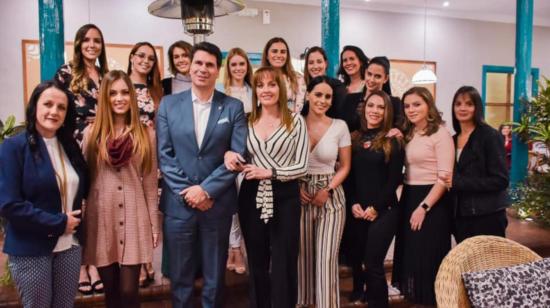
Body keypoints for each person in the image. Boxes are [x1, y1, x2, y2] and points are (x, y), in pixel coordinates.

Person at [157, 42, 247, 308]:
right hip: (179, 205)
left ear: (217, 70)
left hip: (216, 205)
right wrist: (191, 193)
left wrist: (206, 191)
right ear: (189, 66)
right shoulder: (169, 104)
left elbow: (237, 155)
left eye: (210, 64)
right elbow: (165, 155)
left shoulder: (233, 107)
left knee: (215, 278)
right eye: (199, 63)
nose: (203, 69)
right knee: (181, 279)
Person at [225, 66, 309, 307]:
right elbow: (236, 151)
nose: (266, 90)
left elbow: (302, 166)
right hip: (251, 196)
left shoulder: (295, 121)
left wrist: (270, 172)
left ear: (280, 89)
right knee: (257, 261)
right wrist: (230, 155)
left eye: (271, 84)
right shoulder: (247, 120)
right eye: (260, 85)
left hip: (286, 197)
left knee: (284, 261)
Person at [0, 80, 88, 307]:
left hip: (69, 246)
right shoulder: (13, 147)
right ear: (34, 107)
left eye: (61, 107)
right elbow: (9, 204)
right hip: (31, 247)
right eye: (48, 104)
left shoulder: (69, 146)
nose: (54, 111)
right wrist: (59, 223)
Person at [82, 70, 159, 308]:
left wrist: (154, 224)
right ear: (104, 97)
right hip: (102, 217)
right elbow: (86, 181)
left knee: (128, 292)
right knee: (112, 292)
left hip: (135, 217)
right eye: (113, 93)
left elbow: (149, 182)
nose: (119, 98)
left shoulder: (146, 134)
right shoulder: (91, 133)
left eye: (125, 92)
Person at [54, 23, 107, 294]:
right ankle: (82, 266)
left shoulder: (105, 74)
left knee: (97, 205)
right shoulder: (66, 73)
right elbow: (56, 108)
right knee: (79, 203)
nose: (91, 45)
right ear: (78, 43)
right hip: (75, 145)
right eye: (86, 40)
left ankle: (94, 262)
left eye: (97, 41)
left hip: (104, 147)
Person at [392, 87, 454, 306]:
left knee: (428, 256)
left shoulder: (440, 134)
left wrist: (424, 207)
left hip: (431, 200)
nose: (411, 109)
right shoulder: (408, 133)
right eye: (407, 106)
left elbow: (445, 178)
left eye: (417, 104)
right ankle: (416, 299)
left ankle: (432, 301)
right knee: (411, 254)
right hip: (409, 195)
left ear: (429, 105)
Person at [297, 76, 351, 308]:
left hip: (330, 194)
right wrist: (296, 186)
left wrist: (327, 189)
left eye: (328, 96)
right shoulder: (294, 123)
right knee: (303, 258)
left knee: (326, 259)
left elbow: (346, 166)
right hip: (299, 193)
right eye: (318, 94)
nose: (323, 100)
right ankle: (303, 303)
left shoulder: (340, 126)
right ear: (308, 95)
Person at [347, 90, 405, 307]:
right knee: (359, 260)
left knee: (373, 264)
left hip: (385, 211)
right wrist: (353, 203)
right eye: (371, 105)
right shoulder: (354, 138)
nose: (375, 111)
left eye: (381, 107)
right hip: (357, 210)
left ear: (387, 111)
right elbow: (349, 176)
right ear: (364, 108)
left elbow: (393, 182)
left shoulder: (393, 140)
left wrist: (375, 208)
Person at [450, 86, 509, 243]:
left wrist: (458, 183)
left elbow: (501, 179)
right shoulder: (452, 139)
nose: (463, 108)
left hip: (487, 215)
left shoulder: (490, 136)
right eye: (458, 104)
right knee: (468, 266)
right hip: (460, 216)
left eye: (469, 104)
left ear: (477, 108)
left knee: (491, 266)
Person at [222, 47, 254, 274]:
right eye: (234, 64)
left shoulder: (254, 91)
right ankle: (233, 250)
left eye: (241, 64)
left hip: (250, 153)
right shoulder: (221, 91)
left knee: (243, 203)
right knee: (229, 205)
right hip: (225, 153)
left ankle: (241, 249)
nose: (238, 68)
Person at [261, 37, 306, 112]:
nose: (279, 55)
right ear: (267, 55)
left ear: (287, 55)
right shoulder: (260, 78)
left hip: (291, 121)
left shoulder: (298, 78)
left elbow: (299, 109)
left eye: (283, 52)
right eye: (274, 51)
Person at [303, 46, 347, 119]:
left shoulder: (337, 86)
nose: (315, 66)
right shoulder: (303, 86)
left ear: (325, 63)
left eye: (319, 62)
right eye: (311, 63)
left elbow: (341, 116)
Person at [127, 41, 163, 128]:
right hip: (125, 140)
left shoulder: (158, 89)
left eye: (151, 59)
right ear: (132, 58)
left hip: (153, 140)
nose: (146, 61)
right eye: (141, 56)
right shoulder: (121, 85)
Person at [364, 56, 404, 129]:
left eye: (377, 76)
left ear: (386, 78)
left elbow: (402, 127)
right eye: (369, 74)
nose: (371, 80)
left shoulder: (395, 103)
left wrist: (398, 131)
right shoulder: (351, 99)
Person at [336, 46, 369, 132]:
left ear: (361, 61)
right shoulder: (340, 88)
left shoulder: (369, 86)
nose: (348, 63)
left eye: (352, 59)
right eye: (345, 60)